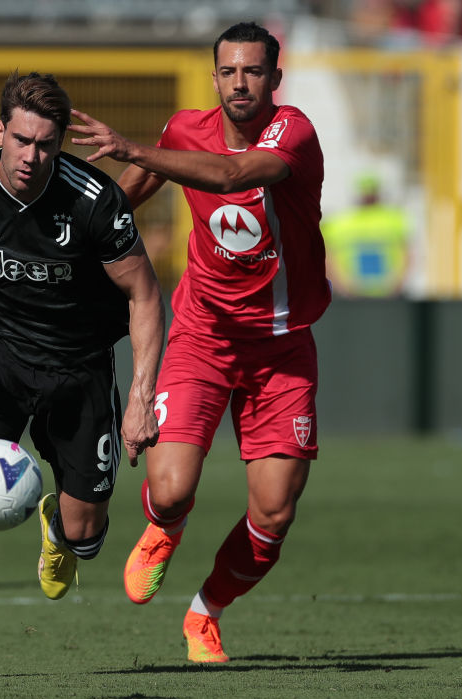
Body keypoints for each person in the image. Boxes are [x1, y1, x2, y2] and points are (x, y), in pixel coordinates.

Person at [69, 21, 329, 663]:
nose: (241, 82)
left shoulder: (291, 131)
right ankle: (165, 527)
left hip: (282, 346)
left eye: (253, 71)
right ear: (214, 76)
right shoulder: (183, 129)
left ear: (275, 76)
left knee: (273, 515)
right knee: (173, 487)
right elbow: (133, 194)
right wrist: (78, 239)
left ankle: (205, 611)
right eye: (229, 71)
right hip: (201, 336)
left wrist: (130, 149)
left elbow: (231, 174)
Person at [0, 70, 165, 679]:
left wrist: (141, 397)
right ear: (0, 132)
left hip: (80, 369)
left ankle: (57, 526)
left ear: (61, 142)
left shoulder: (95, 200)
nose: (31, 156)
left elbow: (145, 297)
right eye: (21, 140)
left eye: (46, 144)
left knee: (86, 532)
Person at [322, 172, 411, 298]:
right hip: (381, 293)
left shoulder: (339, 222)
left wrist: (342, 287)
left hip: (358, 294)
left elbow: (328, 258)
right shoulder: (395, 219)